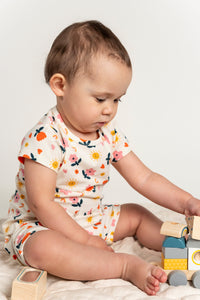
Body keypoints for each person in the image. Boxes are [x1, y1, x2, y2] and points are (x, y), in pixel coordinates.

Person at [3, 20, 200, 296]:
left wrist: (187, 201)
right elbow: (41, 203)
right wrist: (84, 240)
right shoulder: (45, 137)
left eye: (117, 100)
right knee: (42, 249)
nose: (109, 110)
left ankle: (182, 245)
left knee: (136, 214)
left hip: (92, 217)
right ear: (60, 86)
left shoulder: (108, 134)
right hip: (42, 225)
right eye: (100, 99)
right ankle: (122, 266)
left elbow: (144, 177)